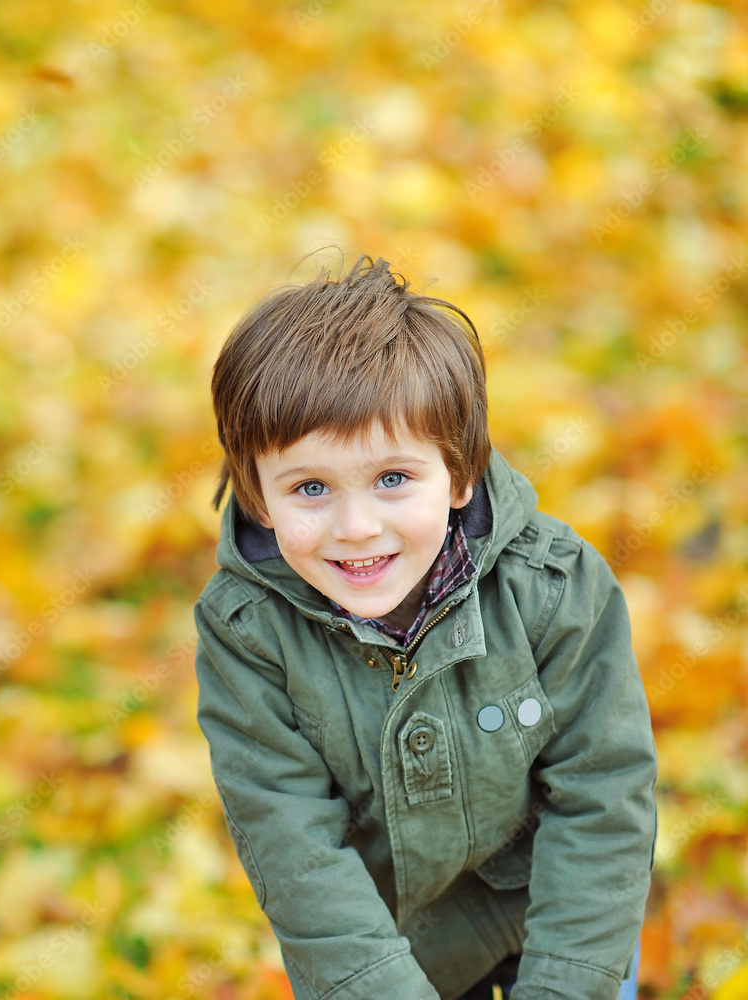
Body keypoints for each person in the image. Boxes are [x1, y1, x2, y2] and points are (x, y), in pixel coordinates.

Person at [193, 255, 657, 1000]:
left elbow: (604, 796)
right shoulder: (248, 634)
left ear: (460, 473)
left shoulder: (554, 589)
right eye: (310, 487)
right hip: (385, 953)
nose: (355, 527)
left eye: (393, 479)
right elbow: (294, 849)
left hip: (560, 916)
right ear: (257, 496)